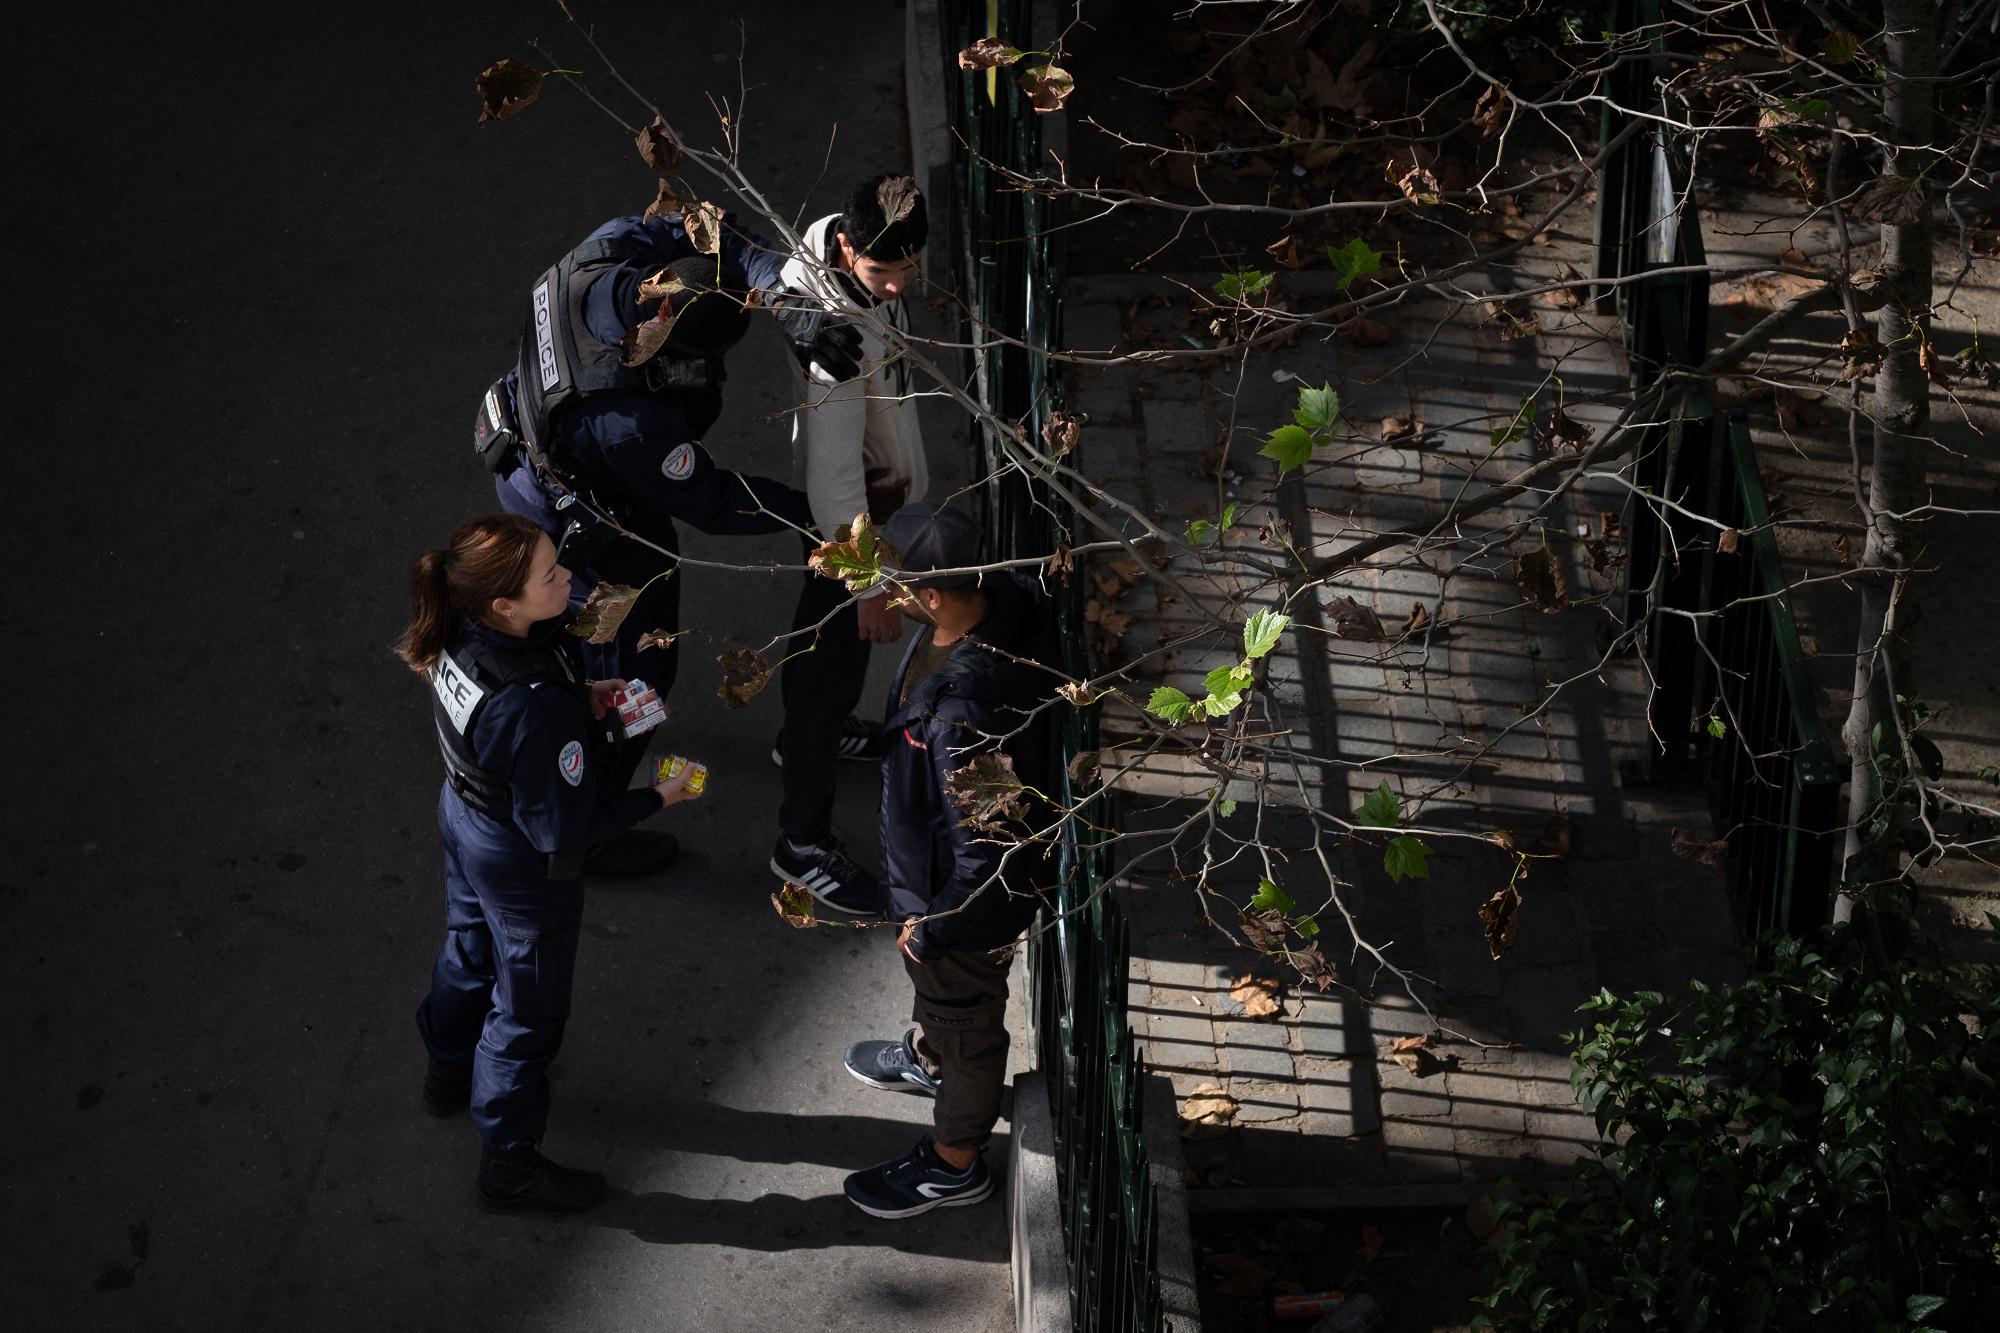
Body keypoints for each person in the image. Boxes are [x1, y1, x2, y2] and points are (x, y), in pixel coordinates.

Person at [482, 204, 862, 875]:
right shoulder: (631, 424)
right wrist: (817, 516)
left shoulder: (604, 253)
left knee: (585, 662)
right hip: (582, 525)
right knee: (639, 676)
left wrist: (786, 302)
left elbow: (720, 225)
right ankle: (592, 819)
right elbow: (715, 503)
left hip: (544, 464)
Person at [396, 513, 701, 1214]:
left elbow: (509, 719)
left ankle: (446, 1068)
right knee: (527, 1012)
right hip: (520, 860)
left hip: (466, 816)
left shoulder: (461, 629)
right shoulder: (533, 709)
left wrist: (585, 698)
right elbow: (568, 828)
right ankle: (508, 1160)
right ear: (504, 603)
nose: (568, 578)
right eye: (551, 575)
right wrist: (658, 795)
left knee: (469, 950)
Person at [838, 502, 1062, 1219]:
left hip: (952, 907)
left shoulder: (964, 711)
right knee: (946, 1013)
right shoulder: (1002, 606)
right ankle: (932, 1054)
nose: (882, 588)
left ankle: (954, 1162)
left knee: (967, 1023)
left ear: (931, 594)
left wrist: (932, 927)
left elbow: (986, 853)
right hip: (932, 882)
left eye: (892, 580)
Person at [770, 174, 932, 916]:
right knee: (829, 669)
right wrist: (867, 585)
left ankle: (817, 731)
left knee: (819, 661)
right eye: (882, 272)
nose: (898, 286)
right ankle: (801, 846)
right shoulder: (833, 347)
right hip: (852, 526)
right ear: (845, 247)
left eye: (908, 268)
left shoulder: (843, 259)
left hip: (857, 518)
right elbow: (832, 478)